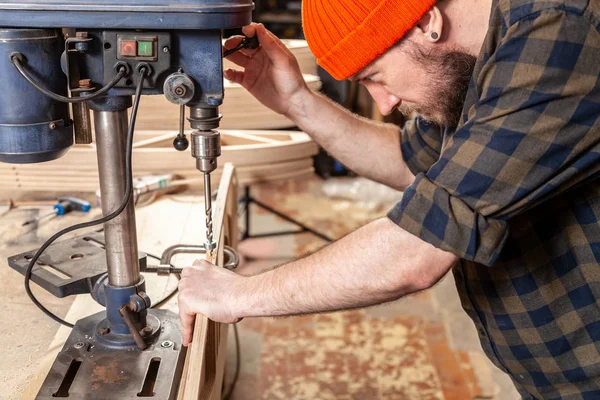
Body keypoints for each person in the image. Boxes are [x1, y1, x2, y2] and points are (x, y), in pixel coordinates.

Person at [177, 0, 600, 398]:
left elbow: (414, 253)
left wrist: (238, 296)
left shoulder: (560, 32)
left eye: (375, 76)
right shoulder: (474, 62)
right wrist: (296, 102)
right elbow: (407, 160)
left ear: (425, 22)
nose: (385, 102)